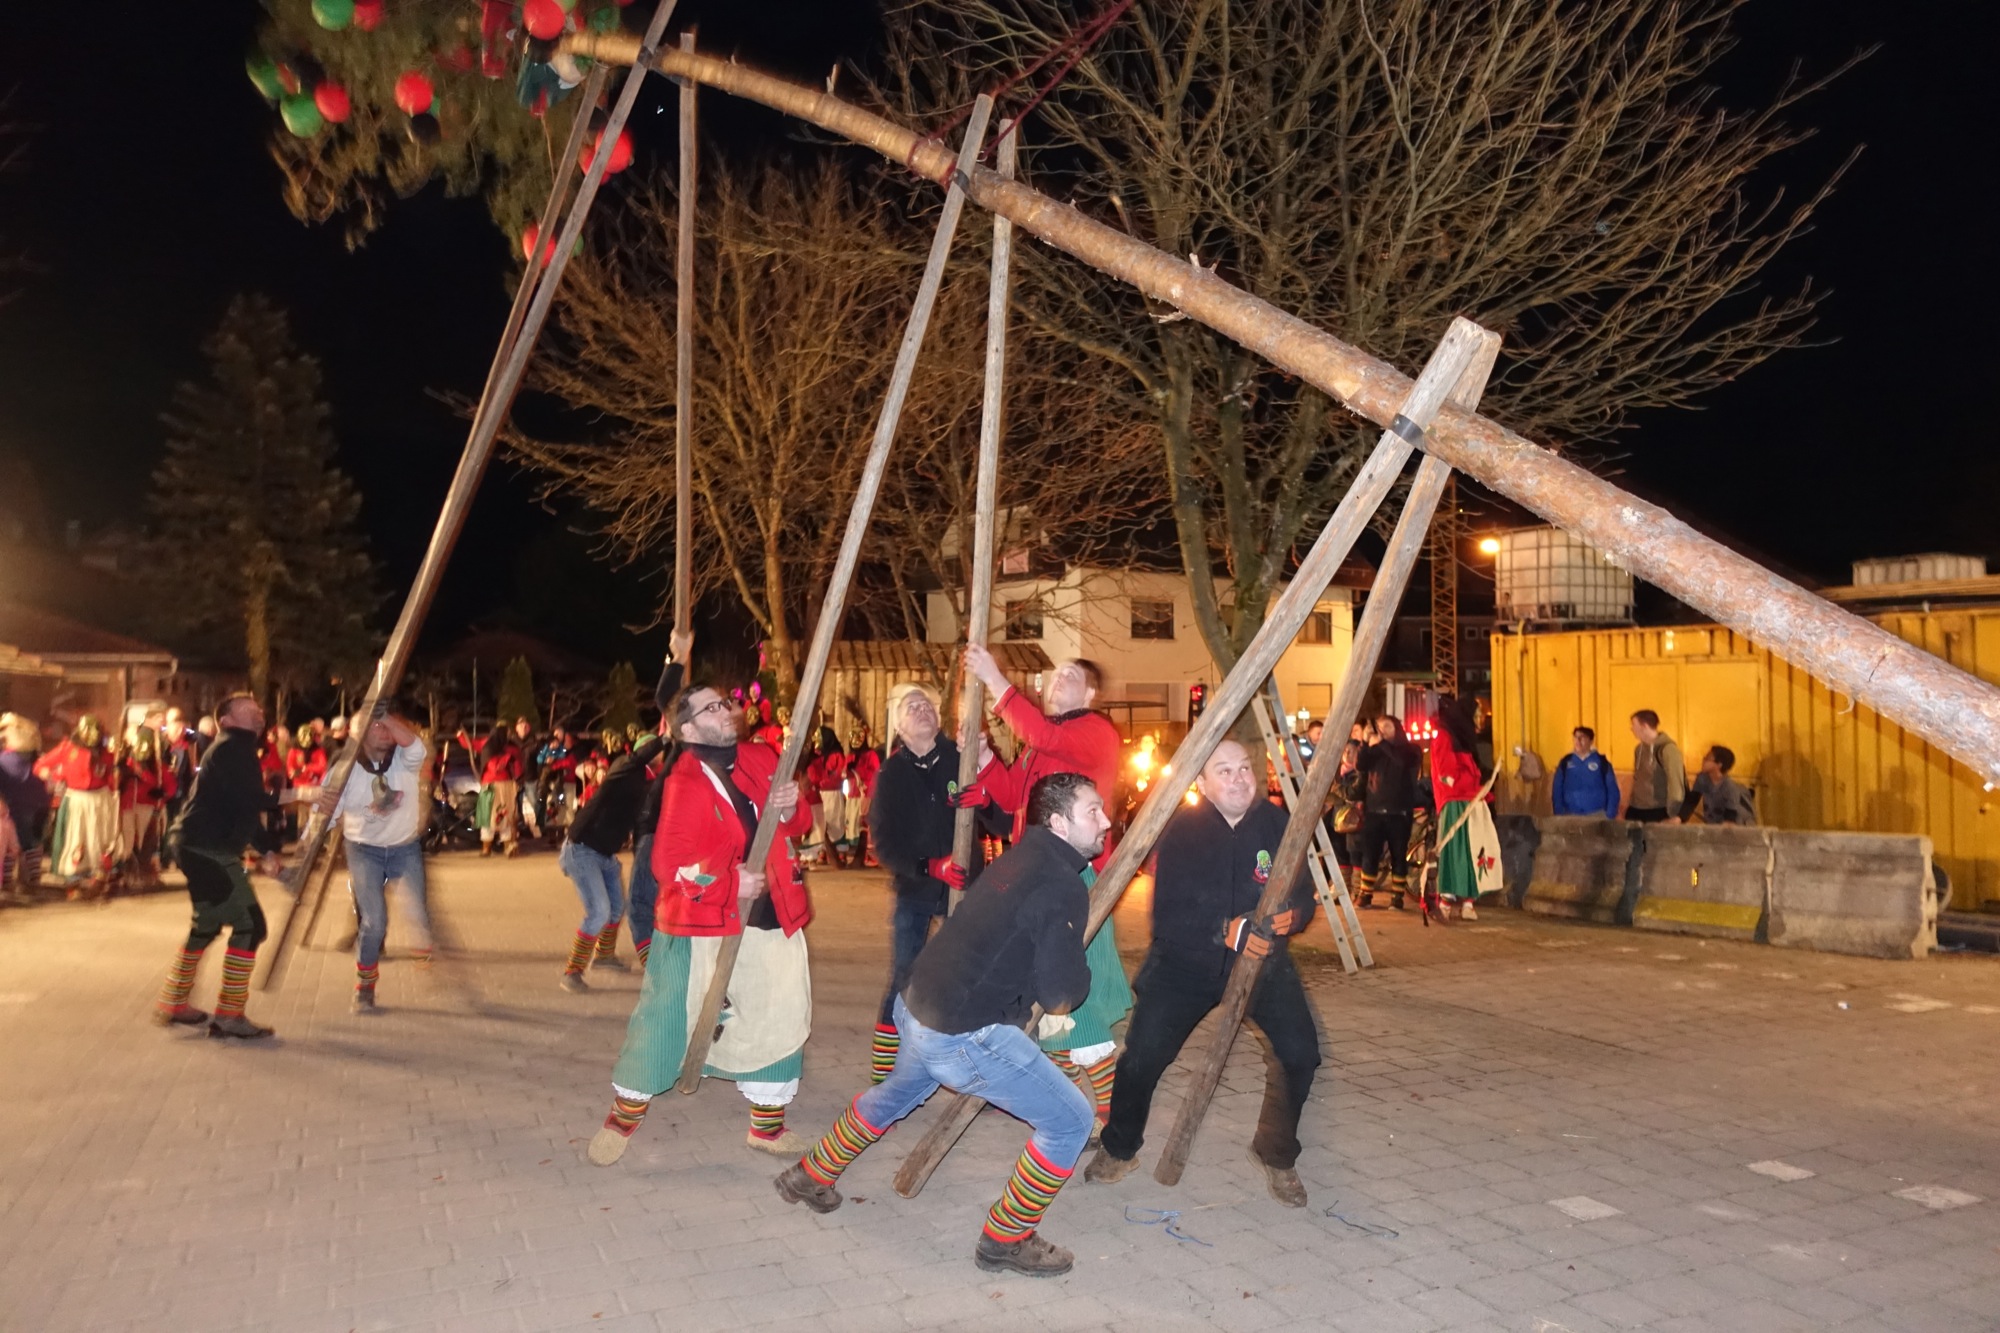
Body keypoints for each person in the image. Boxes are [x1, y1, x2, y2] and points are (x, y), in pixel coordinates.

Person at [774, 772, 1108, 1278]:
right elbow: (1061, 995)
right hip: (960, 1033)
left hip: (916, 1003)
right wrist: (1078, 969)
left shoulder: (1020, 856)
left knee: (896, 1094)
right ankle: (1006, 1237)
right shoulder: (1062, 884)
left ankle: (810, 1173)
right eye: (1093, 812)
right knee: (1071, 1121)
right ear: (1060, 823)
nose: (1106, 821)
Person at [1083, 741, 1320, 1204]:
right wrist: (1224, 931)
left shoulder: (1276, 823)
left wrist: (1295, 914)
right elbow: (1167, 916)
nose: (1238, 779)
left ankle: (1275, 1152)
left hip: (1263, 963)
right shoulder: (1182, 831)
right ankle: (1120, 1146)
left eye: (1244, 768)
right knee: (1142, 1056)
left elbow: (1304, 891)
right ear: (1202, 783)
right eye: (1224, 771)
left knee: (1300, 1054)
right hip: (1184, 964)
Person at [586, 681, 812, 1165]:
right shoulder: (684, 782)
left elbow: (797, 825)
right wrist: (730, 882)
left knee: (778, 1013)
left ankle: (766, 1127)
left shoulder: (763, 757)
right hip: (700, 922)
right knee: (667, 1017)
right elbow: (668, 864)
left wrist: (792, 805)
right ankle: (624, 1116)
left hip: (772, 914)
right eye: (711, 708)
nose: (726, 710)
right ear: (687, 729)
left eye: (725, 702)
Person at [962, 643, 1133, 1132]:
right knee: (1047, 993)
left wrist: (995, 679)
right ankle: (1069, 1109)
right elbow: (1013, 795)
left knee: (1073, 994)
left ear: (1092, 694)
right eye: (1056, 674)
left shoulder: (1093, 731)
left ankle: (1109, 1115)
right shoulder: (1044, 740)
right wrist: (984, 757)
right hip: (1038, 875)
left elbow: (1038, 730)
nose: (1059, 679)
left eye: (1072, 675)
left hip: (1074, 876)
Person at [154, 693, 287, 1039]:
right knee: (250, 925)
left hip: (196, 844)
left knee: (208, 924)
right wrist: (301, 795)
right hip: (206, 849)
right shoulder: (232, 747)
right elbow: (252, 801)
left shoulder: (235, 749)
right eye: (247, 709)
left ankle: (173, 1001)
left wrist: (266, 850)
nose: (258, 712)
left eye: (258, 708)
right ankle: (229, 1014)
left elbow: (241, 808)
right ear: (226, 721)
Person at [864, 685, 961, 1083]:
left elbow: (997, 815)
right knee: (905, 975)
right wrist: (928, 866)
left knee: (969, 976)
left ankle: (970, 1065)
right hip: (915, 887)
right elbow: (884, 843)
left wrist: (986, 797)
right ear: (900, 727)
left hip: (964, 888)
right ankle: (885, 1071)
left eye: (927, 705)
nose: (922, 710)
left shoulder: (961, 758)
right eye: (911, 707)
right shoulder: (891, 774)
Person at [312, 703, 433, 1013]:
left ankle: (423, 950)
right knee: (375, 922)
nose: (385, 730)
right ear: (358, 734)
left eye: (387, 724)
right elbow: (322, 815)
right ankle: (364, 988)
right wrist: (309, 845)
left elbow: (416, 745)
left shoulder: (404, 759)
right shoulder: (344, 769)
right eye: (376, 726)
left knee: (418, 912)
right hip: (364, 850)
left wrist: (385, 716)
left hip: (405, 847)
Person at [557, 705, 673, 991]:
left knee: (617, 907)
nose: (659, 755)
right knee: (599, 911)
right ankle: (572, 971)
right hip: (581, 848)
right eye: (654, 750)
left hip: (604, 854)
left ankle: (604, 956)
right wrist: (665, 738)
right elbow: (639, 757)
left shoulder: (644, 784)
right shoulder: (623, 768)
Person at [628, 629, 693, 971]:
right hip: (663, 829)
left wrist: (679, 657)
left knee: (643, 903)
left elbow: (665, 697)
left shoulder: (696, 746)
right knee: (662, 903)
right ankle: (664, 966)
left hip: (662, 830)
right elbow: (666, 699)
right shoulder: (693, 745)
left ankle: (659, 969)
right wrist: (678, 658)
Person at [1430, 695, 1498, 921]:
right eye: (1476, 716)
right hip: (1456, 802)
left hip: (1472, 801)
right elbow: (1446, 775)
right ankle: (1446, 901)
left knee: (1474, 850)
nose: (1479, 721)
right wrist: (1469, 787)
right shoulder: (1444, 736)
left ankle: (1468, 901)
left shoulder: (1466, 739)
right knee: (1454, 850)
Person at [36, 715, 118, 892]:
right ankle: (74, 877)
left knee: (97, 838)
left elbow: (110, 777)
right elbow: (42, 764)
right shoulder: (68, 748)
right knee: (76, 838)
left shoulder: (106, 753)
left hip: (99, 800)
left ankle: (97, 873)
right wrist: (51, 774)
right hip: (77, 800)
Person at [1351, 714, 1421, 909]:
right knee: (1369, 854)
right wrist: (1365, 742)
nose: (1382, 731)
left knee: (1398, 854)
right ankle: (1365, 894)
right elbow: (1360, 765)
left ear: (1397, 728)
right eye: (1379, 727)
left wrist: (1381, 743)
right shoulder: (1376, 750)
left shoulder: (1410, 750)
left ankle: (1397, 896)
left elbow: (1400, 761)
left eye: (1387, 727)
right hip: (1374, 810)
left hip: (1400, 812)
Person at [0, 713, 49, 895]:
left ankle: (7, 881)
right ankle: (31, 880)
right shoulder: (37, 761)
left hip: (13, 810)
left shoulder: (4, 761)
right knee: (32, 844)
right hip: (37, 806)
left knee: (9, 848)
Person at [1625, 710, 1686, 823]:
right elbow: (1637, 778)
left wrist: (1673, 813)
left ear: (1644, 726)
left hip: (1657, 809)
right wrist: (1628, 804)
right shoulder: (1639, 749)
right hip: (1636, 808)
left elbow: (1675, 782)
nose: (1631, 728)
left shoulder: (1668, 749)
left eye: (1634, 724)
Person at [473, 723, 524, 856]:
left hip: (505, 786)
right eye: (507, 733)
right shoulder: (489, 747)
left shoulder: (508, 748)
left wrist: (517, 774)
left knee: (505, 816)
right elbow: (495, 767)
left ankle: (508, 846)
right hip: (490, 786)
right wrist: (507, 758)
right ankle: (486, 848)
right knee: (488, 817)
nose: (509, 736)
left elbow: (517, 766)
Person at [1551, 726, 1620, 818]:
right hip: (1570, 815)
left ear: (1591, 741)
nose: (1578, 741)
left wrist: (1610, 815)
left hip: (1596, 815)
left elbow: (1612, 790)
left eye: (1582, 737)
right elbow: (1557, 789)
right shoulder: (1565, 762)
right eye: (1576, 737)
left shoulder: (1601, 762)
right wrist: (1559, 813)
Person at [804, 725, 849, 867]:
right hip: (820, 793)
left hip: (833, 792)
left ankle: (840, 851)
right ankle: (822, 851)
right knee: (821, 823)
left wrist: (824, 780)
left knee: (835, 821)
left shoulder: (837, 755)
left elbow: (839, 773)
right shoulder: (818, 756)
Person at [1680, 745, 1757, 826]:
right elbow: (1692, 800)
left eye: (1707, 758)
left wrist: (1725, 827)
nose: (1703, 761)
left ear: (1719, 765)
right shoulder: (1702, 779)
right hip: (1715, 825)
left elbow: (1730, 817)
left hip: (1739, 826)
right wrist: (1679, 818)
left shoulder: (1730, 787)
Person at [846, 724, 881, 866]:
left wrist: (859, 770)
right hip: (853, 794)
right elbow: (845, 773)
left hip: (866, 793)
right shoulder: (851, 755)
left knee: (865, 824)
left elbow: (875, 772)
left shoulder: (870, 755)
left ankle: (871, 855)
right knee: (854, 825)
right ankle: (859, 854)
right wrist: (847, 770)